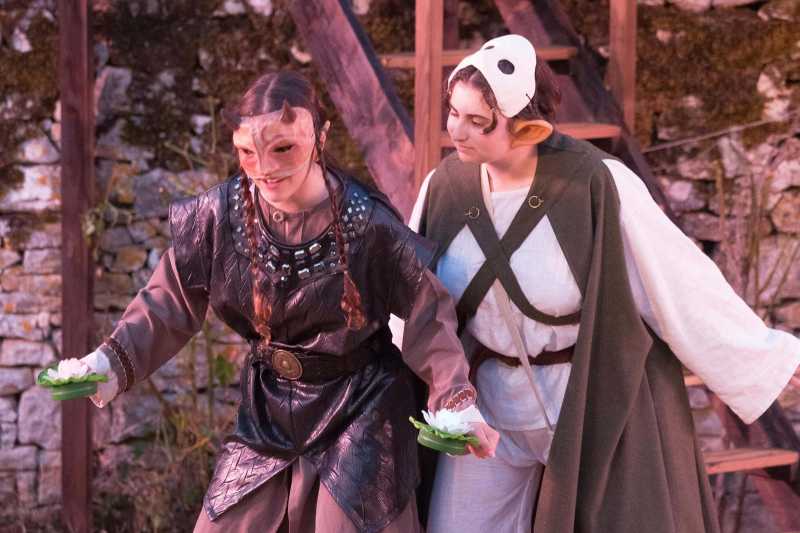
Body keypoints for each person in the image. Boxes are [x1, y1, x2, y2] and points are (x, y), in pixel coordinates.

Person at [397, 34, 800, 533]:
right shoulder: (444, 187)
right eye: (453, 112)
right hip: (490, 400)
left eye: (477, 121)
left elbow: (678, 282)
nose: (455, 130)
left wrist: (768, 357)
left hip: (582, 401)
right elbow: (413, 300)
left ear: (526, 128)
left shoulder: (597, 183)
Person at [79, 70, 498, 533]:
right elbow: (168, 301)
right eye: (246, 152)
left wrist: (454, 397)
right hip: (269, 410)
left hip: (362, 407)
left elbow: (427, 312)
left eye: (283, 149)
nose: (263, 168)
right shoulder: (219, 216)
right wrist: (108, 361)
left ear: (320, 137)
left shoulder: (368, 222)